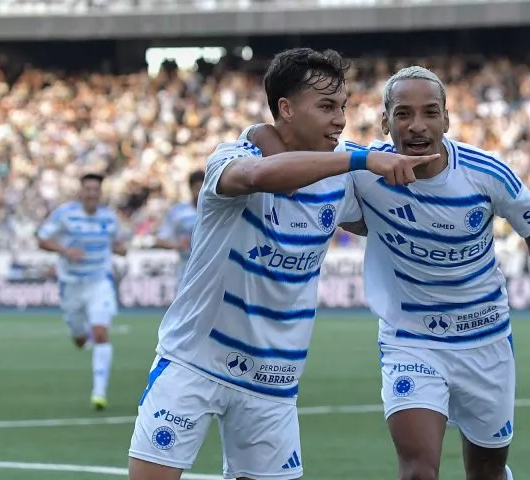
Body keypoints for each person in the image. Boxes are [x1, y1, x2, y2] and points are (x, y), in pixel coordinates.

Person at [245, 66, 530, 480]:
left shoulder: (486, 173)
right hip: (411, 340)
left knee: (486, 471)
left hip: (485, 339)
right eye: (403, 114)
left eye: (430, 113)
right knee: (417, 471)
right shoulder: (363, 168)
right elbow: (274, 144)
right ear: (385, 120)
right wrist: (257, 132)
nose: (417, 125)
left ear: (446, 118)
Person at [127, 48, 437, 480]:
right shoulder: (232, 158)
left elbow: (398, 212)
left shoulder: (343, 171)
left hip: (273, 381)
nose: (341, 119)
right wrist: (361, 158)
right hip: (194, 362)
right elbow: (260, 176)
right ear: (286, 109)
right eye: (327, 106)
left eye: (343, 107)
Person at [37, 173, 128, 411]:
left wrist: (121, 249)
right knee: (80, 339)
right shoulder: (65, 214)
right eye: (87, 189)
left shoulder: (109, 218)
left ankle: (99, 393)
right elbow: (42, 239)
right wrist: (66, 251)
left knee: (100, 333)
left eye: (95, 190)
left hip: (99, 282)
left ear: (100, 193)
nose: (91, 193)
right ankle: (83, 335)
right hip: (71, 286)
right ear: (81, 192)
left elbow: (119, 244)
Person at [154, 170, 205, 284]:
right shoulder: (178, 212)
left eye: (203, 188)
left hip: (210, 270)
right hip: (186, 270)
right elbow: (160, 240)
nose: (200, 192)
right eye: (197, 188)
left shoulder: (216, 212)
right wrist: (179, 245)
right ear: (191, 188)